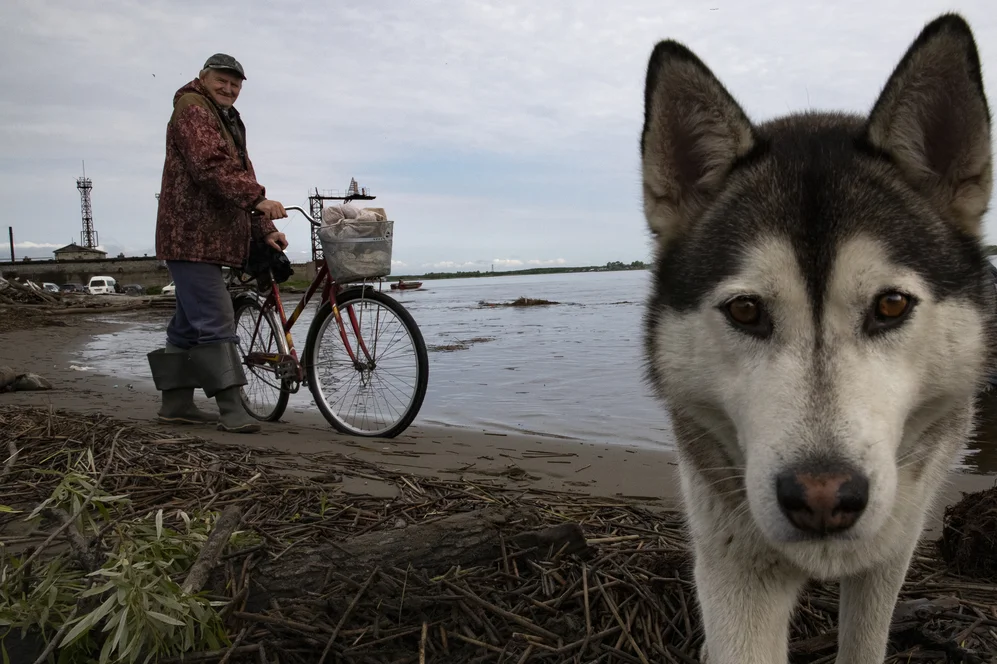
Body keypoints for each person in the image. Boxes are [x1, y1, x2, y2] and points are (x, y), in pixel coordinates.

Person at [147, 53, 288, 434]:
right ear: (203, 78)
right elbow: (209, 165)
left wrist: (265, 228)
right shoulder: (193, 109)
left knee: (187, 326)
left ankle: (175, 406)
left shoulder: (227, 118)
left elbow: (240, 174)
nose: (229, 88)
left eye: (235, 83)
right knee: (216, 317)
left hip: (209, 237)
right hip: (190, 234)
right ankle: (232, 408)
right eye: (221, 81)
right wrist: (258, 198)